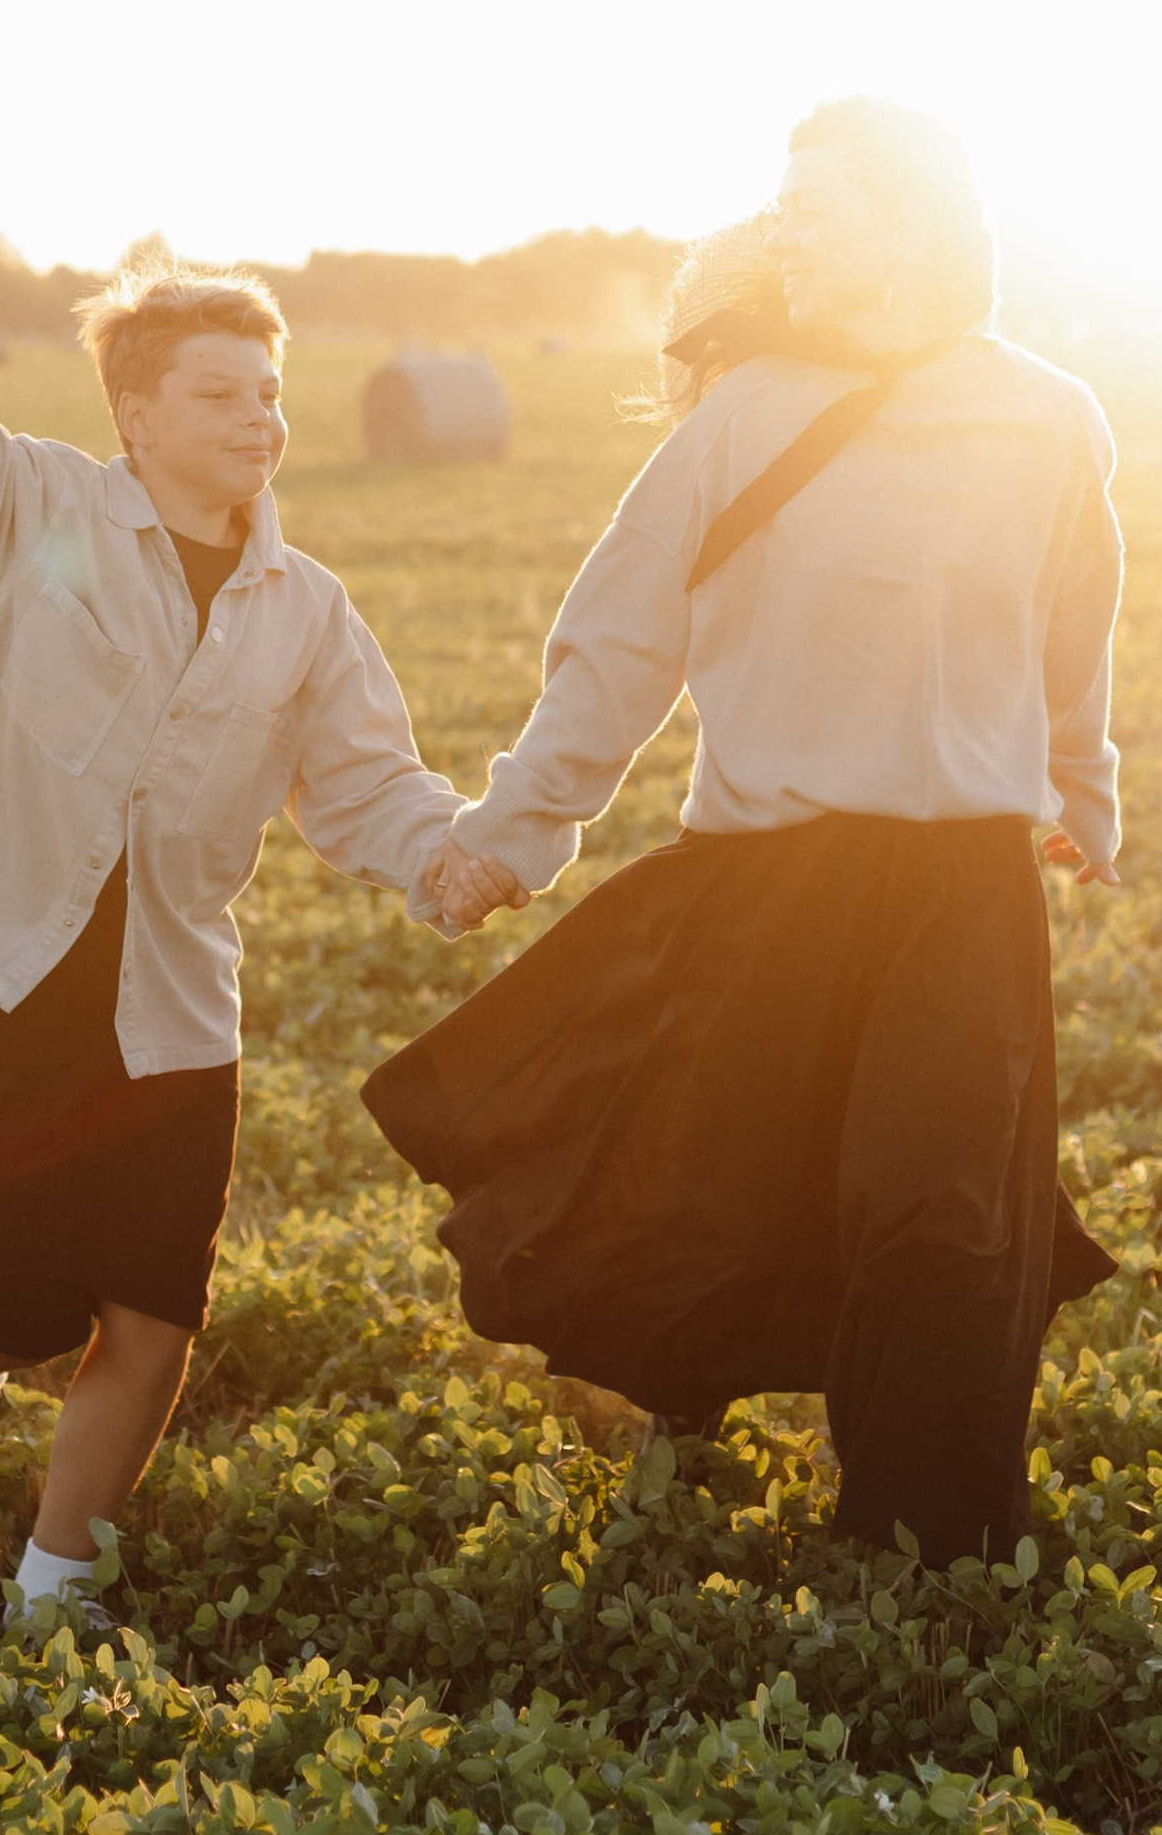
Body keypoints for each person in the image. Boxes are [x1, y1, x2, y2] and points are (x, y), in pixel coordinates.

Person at [371, 94, 1122, 1570]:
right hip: (773, 881)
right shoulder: (746, 417)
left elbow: (1072, 628)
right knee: (713, 1203)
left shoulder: (1046, 417)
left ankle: (925, 1553)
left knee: (944, 1223)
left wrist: (1081, 793)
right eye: (779, 211)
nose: (787, 236)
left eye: (817, 212)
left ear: (909, 227)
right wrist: (514, 834)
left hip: (962, 892)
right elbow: (618, 641)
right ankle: (683, 1431)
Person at [0, 125, 517, 1631]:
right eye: (220, 393)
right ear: (135, 412)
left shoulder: (306, 610)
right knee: (23, 1293)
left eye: (271, 393)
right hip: (12, 965)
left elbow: (369, 784)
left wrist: (448, 859)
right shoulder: (31, 514)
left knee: (155, 1304)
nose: (260, 419)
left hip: (178, 1004)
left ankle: (53, 1590)